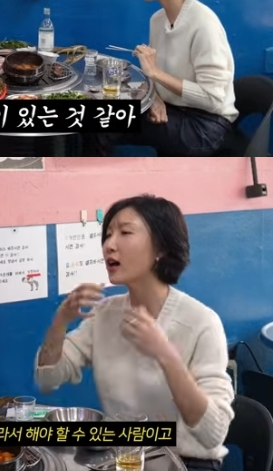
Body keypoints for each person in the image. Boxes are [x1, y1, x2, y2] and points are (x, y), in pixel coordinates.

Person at [35, 195, 234, 471]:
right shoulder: (105, 314)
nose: (109, 244)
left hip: (188, 463)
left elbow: (213, 433)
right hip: (124, 457)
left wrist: (166, 355)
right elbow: (48, 379)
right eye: (107, 235)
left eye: (125, 232)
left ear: (161, 248)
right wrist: (60, 322)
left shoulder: (201, 322)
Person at [124, 0, 237, 156]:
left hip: (205, 125)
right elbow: (158, 81)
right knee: (100, 117)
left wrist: (155, 72)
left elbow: (213, 99)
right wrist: (155, 99)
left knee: (103, 122)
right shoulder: (158, 19)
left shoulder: (204, 24)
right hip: (173, 110)